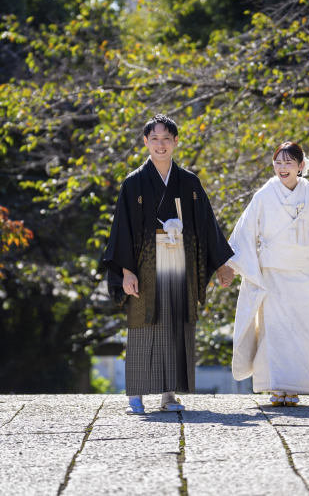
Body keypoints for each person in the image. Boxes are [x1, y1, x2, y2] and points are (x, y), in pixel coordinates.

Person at [103, 114, 234, 414]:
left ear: (176, 142)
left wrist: (221, 264)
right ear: (145, 142)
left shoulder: (189, 182)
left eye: (166, 139)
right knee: (141, 323)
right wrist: (126, 271)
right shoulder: (133, 183)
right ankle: (135, 395)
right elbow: (121, 230)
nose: (160, 145)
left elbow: (206, 225)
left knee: (175, 324)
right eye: (154, 139)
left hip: (179, 260)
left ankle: (168, 395)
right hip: (143, 262)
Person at [225, 141, 309, 406]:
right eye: (278, 163)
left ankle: (296, 387)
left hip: (305, 274)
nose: (282, 168)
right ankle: (277, 387)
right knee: (273, 331)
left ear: (300, 166)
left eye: (288, 163)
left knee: (304, 331)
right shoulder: (264, 194)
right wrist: (229, 264)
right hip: (273, 274)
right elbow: (245, 229)